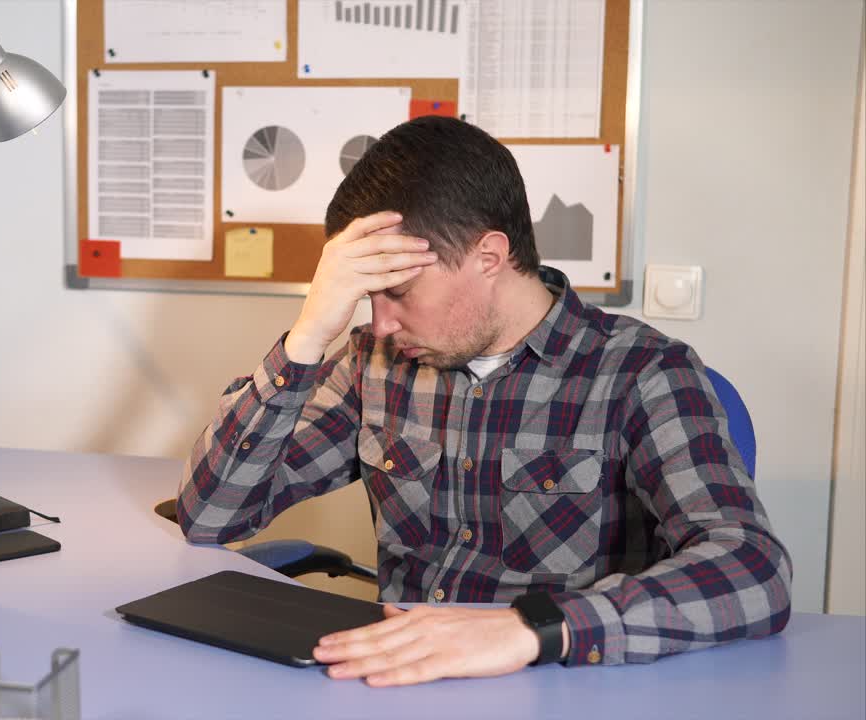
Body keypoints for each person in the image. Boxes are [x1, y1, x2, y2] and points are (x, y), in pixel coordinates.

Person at [176, 116, 791, 687]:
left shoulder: (641, 371)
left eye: (397, 292)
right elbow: (210, 517)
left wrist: (535, 629)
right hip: (396, 685)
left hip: (562, 684)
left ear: (489, 256)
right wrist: (307, 337)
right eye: (366, 296)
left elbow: (752, 567)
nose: (380, 322)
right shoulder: (372, 363)